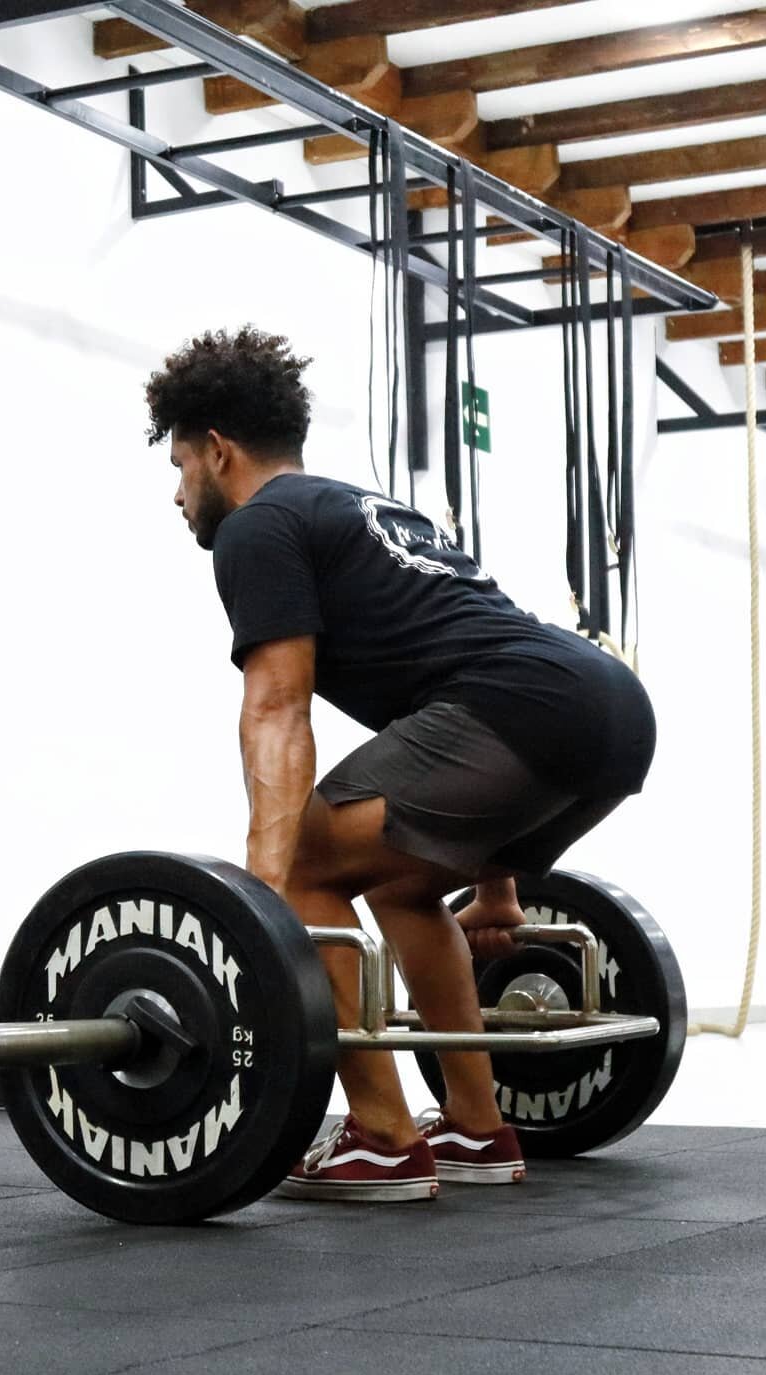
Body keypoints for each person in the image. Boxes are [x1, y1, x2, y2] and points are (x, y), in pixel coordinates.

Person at [144, 326, 657, 1203]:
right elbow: (463, 680)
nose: (178, 494)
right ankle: (477, 1126)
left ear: (219, 451)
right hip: (609, 706)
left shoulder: (258, 528)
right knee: (400, 884)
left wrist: (262, 902)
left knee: (311, 860)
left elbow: (276, 709)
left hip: (522, 707)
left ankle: (380, 1136)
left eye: (180, 467)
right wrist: (498, 892)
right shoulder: (366, 509)